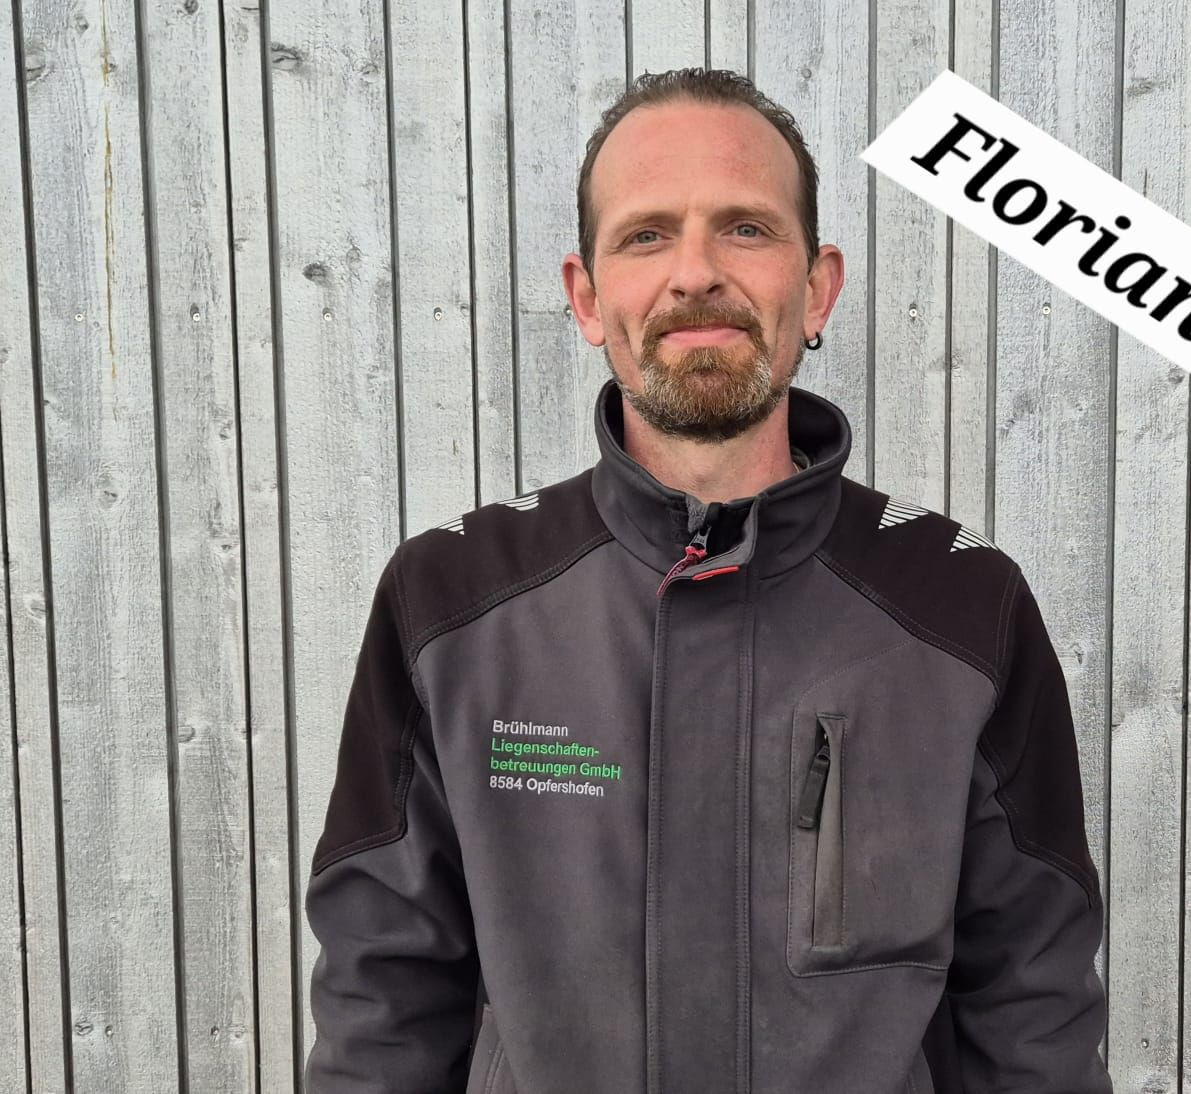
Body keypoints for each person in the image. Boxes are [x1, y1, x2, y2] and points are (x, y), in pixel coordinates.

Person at [304, 66, 1112, 1094]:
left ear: (815, 287)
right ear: (586, 296)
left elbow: (1033, 1008)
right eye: (646, 235)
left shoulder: (959, 606)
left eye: (745, 228)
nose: (694, 273)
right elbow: (382, 1003)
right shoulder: (453, 602)